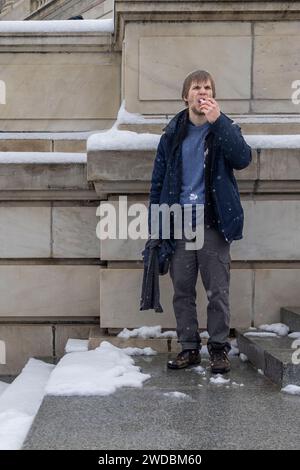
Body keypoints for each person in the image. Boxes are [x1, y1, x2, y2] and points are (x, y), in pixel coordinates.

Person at [148, 70, 252, 374]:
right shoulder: (172, 133)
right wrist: (157, 225)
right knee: (182, 290)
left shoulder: (223, 127)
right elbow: (157, 182)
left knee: (217, 291)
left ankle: (218, 349)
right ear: (186, 96)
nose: (202, 92)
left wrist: (218, 122)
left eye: (207, 88)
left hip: (212, 223)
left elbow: (243, 159)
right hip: (179, 223)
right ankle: (189, 348)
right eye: (196, 88)